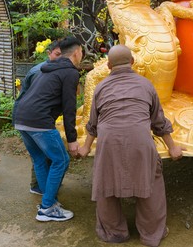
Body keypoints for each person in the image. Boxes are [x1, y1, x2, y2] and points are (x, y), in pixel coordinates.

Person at [78, 45, 183, 247]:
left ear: (108, 66)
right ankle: (151, 234)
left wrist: (85, 147)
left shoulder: (100, 87)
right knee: (150, 182)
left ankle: (114, 233)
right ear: (132, 62)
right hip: (140, 141)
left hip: (108, 141)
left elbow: (93, 124)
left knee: (106, 184)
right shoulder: (146, 85)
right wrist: (173, 146)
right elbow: (158, 122)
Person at [13, 36, 83, 222]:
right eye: (81, 52)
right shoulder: (70, 73)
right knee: (61, 160)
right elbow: (69, 108)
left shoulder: (47, 68)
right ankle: (47, 208)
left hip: (21, 116)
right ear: (76, 53)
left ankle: (48, 201)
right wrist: (73, 139)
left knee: (40, 160)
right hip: (38, 120)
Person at [13, 40, 62, 195]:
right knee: (51, 158)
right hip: (35, 118)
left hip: (30, 118)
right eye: (57, 54)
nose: (60, 58)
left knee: (41, 157)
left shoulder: (48, 70)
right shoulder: (39, 71)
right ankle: (45, 193)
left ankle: (42, 188)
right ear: (49, 53)